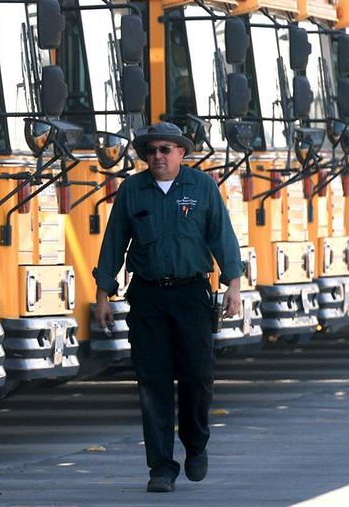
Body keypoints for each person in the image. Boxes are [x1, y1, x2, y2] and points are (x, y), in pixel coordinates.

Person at [93, 122, 244, 493]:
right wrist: (103, 294)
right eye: (152, 151)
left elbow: (222, 235)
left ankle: (196, 444)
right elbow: (114, 242)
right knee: (152, 383)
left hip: (192, 295)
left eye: (166, 149)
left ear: (181, 153)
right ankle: (160, 467)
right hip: (148, 298)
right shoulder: (132, 191)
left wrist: (233, 285)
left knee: (198, 376)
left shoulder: (203, 187)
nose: (158, 156)